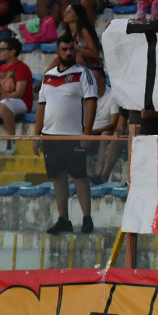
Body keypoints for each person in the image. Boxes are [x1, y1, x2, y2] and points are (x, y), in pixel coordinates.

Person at [36, 35, 97, 235]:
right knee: (57, 176)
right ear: (57, 52)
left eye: (71, 48)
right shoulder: (48, 76)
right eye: (64, 49)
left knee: (79, 176)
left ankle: (87, 218)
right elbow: (41, 107)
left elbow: (91, 102)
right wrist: (38, 135)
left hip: (73, 135)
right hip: (50, 135)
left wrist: (86, 134)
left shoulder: (83, 73)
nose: (69, 52)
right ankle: (64, 219)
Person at [61, 2, 103, 74]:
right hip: (77, 62)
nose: (65, 14)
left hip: (93, 64)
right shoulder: (65, 33)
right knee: (59, 59)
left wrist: (78, 48)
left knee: (77, 59)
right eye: (65, 12)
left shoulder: (84, 31)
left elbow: (95, 54)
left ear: (77, 16)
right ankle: (45, 81)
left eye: (69, 12)